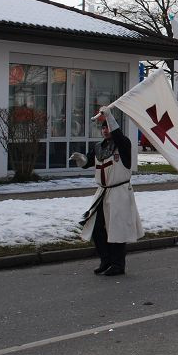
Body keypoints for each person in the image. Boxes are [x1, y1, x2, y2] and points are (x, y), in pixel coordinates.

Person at [70, 106, 143, 277]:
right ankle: (106, 260)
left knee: (116, 229)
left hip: (119, 193)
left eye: (108, 127)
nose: (105, 130)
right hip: (103, 193)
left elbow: (118, 136)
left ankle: (118, 265)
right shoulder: (98, 147)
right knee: (97, 228)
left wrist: (109, 116)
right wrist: (81, 159)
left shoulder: (124, 145)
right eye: (103, 128)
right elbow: (88, 162)